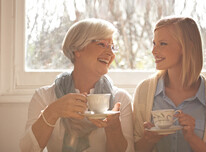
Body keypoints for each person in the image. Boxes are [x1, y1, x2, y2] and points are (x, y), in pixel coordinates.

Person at [20, 18, 134, 152]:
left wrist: (113, 127)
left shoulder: (120, 100)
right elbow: (27, 149)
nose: (111, 53)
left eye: (112, 47)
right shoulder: (44, 96)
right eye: (102, 44)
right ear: (77, 49)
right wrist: (52, 112)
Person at [133, 16, 206, 152]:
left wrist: (192, 138)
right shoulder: (143, 91)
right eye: (154, 43)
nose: (154, 51)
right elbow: (134, 149)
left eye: (162, 44)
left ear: (187, 47)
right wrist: (148, 140)